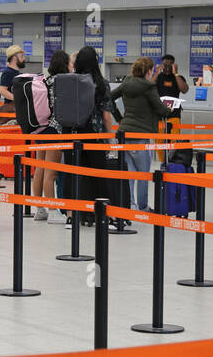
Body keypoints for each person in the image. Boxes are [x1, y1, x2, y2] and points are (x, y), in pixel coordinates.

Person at [69, 46, 119, 229]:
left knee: (76, 176)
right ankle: (107, 217)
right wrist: (110, 139)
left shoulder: (71, 81)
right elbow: (106, 116)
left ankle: (75, 215)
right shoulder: (101, 83)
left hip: (73, 135)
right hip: (95, 136)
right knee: (100, 176)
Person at [111, 57, 167, 211]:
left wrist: (119, 119)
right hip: (141, 135)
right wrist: (170, 109)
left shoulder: (127, 82)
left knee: (129, 173)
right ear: (149, 71)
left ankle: (129, 204)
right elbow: (161, 109)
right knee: (143, 174)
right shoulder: (149, 87)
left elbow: (109, 98)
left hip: (124, 133)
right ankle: (142, 207)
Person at [29, 50, 70, 222]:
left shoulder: (45, 80)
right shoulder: (63, 82)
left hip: (41, 128)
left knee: (39, 169)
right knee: (51, 173)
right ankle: (53, 210)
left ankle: (39, 208)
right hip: (56, 129)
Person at [0, 45, 25, 112]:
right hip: (11, 110)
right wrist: (17, 98)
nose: (24, 58)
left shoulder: (16, 73)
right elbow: (2, 90)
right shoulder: (8, 73)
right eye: (21, 56)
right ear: (14, 58)